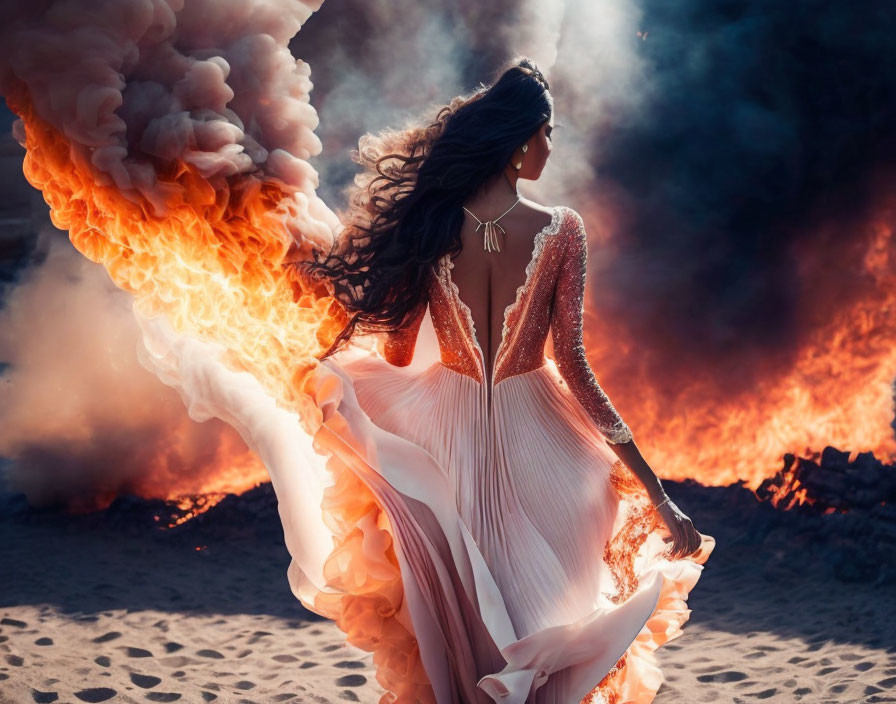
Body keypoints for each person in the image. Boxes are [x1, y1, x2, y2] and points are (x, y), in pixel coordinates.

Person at [138, 57, 715, 704]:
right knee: (551, 619)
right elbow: (574, 365)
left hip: (447, 434)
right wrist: (657, 492)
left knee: (471, 620)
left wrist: (372, 373)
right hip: (546, 441)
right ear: (520, 141)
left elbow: (400, 348)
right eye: (546, 133)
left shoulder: (433, 226)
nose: (551, 146)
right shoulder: (562, 231)